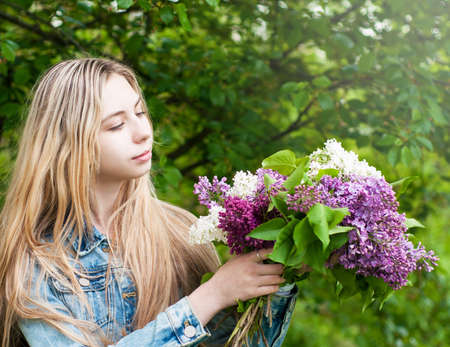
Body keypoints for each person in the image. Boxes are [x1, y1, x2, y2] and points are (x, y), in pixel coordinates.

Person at [0, 58, 297, 347]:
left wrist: (280, 272)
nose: (143, 133)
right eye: (116, 125)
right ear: (69, 143)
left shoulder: (180, 232)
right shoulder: (36, 260)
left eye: (140, 113)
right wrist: (212, 295)